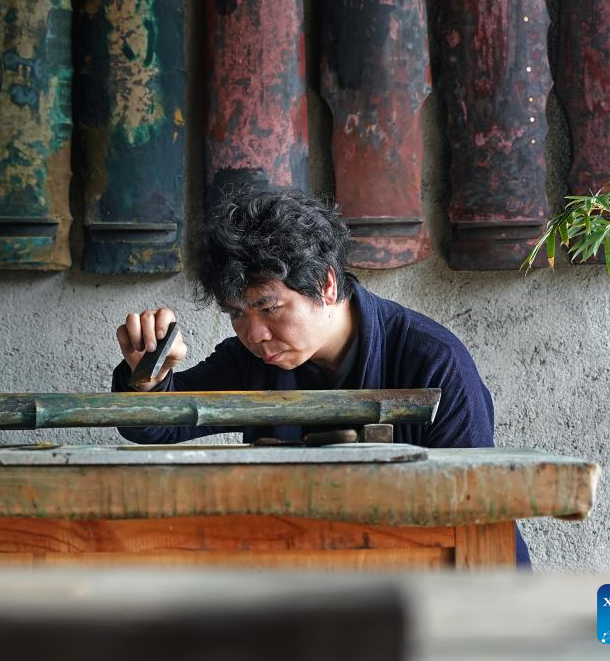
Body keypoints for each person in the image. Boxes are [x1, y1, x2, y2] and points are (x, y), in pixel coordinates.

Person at [110, 188, 531, 566]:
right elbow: (154, 427)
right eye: (237, 313)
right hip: (325, 582)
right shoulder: (253, 359)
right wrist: (148, 373)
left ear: (326, 285)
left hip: (449, 585)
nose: (253, 334)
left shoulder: (433, 361)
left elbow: (475, 512)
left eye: (269, 308)